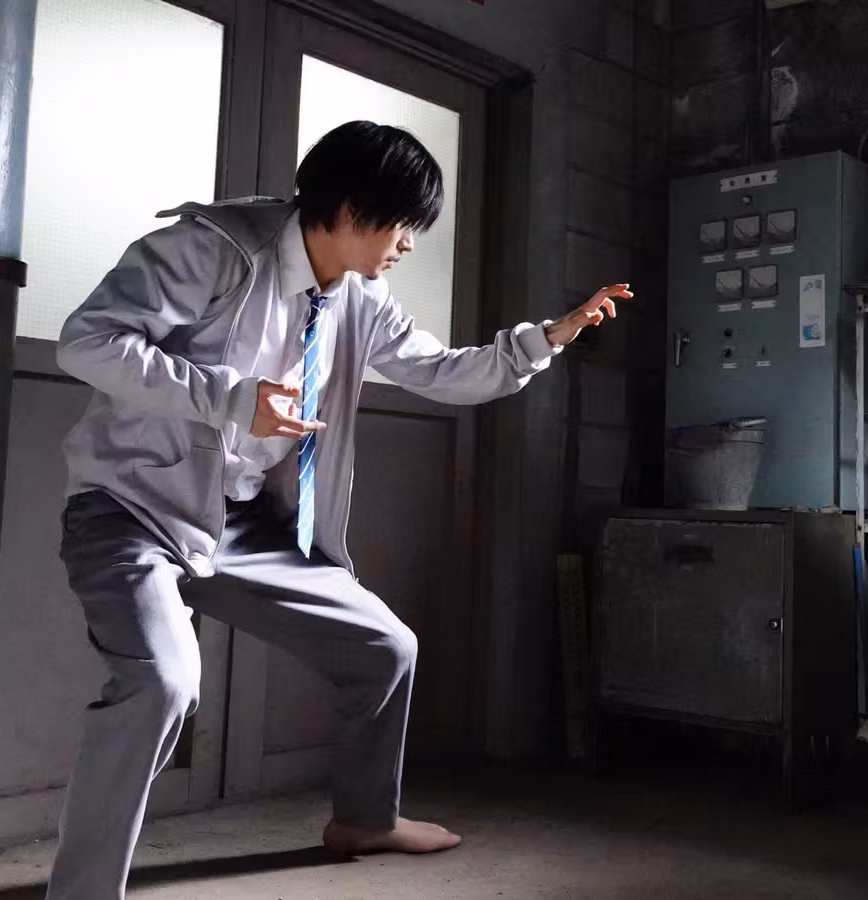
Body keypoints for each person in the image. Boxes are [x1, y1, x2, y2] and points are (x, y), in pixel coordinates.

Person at [48, 120, 631, 900]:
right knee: (162, 683)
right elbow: (88, 341)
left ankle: (364, 819)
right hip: (131, 510)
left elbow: (442, 372)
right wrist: (229, 399)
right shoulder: (212, 250)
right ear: (353, 210)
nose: (409, 244)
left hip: (237, 522)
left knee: (385, 647)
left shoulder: (360, 298)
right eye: (403, 224)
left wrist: (549, 338)